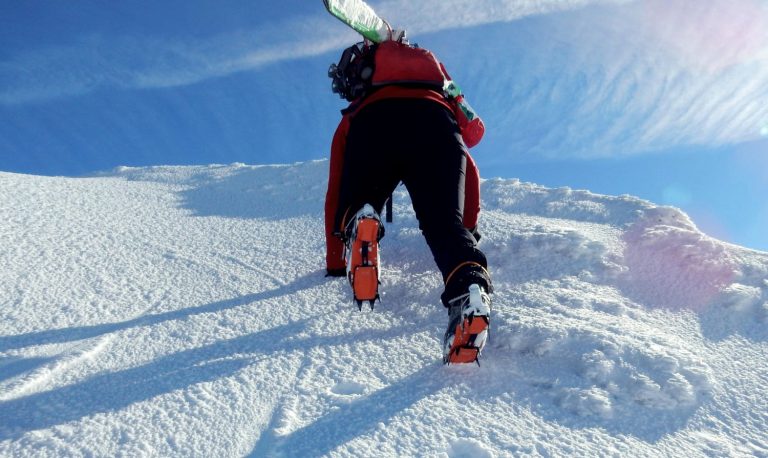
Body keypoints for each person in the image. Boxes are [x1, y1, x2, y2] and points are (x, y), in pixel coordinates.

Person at [323, 32, 493, 364]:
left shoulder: (356, 112)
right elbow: (469, 166)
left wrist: (334, 261)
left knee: (361, 200)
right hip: (440, 127)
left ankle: (362, 222)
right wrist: (466, 231)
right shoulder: (441, 90)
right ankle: (468, 292)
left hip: (374, 123)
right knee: (443, 222)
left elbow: (336, 186)